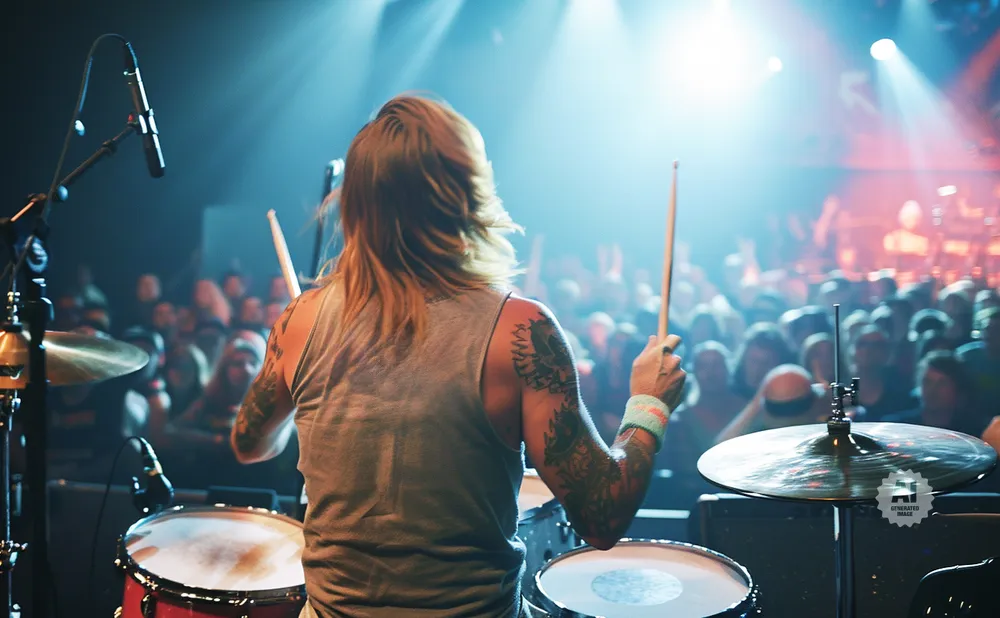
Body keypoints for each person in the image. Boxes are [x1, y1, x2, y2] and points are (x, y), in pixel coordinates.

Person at [228, 95, 687, 618]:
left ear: (354, 203)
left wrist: (322, 415)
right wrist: (649, 403)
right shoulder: (520, 330)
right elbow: (601, 516)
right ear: (467, 195)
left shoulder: (300, 321)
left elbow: (250, 444)